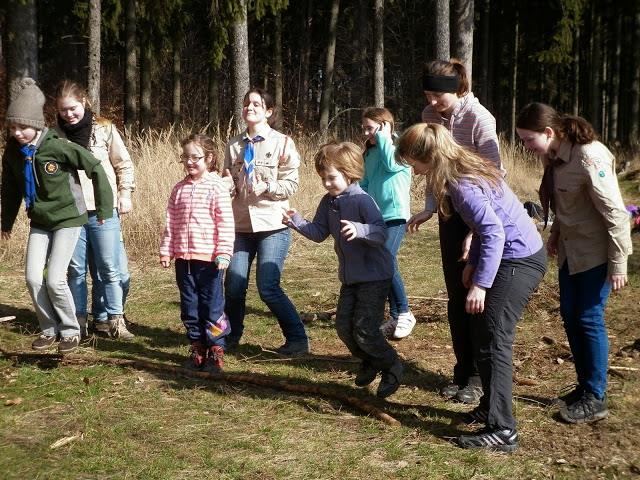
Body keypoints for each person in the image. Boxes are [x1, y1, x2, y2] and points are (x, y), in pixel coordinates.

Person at [396, 123, 546, 452]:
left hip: (519, 258)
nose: (414, 171)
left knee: (493, 339)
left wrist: (480, 282)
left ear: (429, 157)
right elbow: (483, 227)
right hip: (510, 254)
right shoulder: (460, 170)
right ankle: (491, 408)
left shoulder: (460, 183)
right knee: (481, 334)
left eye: (413, 163)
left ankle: (503, 430)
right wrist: (472, 261)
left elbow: (494, 230)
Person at [516, 102, 632, 424]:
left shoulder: (589, 156)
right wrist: (554, 235)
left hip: (596, 252)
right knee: (570, 316)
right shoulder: (553, 156)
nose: (526, 147)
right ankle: (583, 387)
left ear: (549, 132)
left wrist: (619, 263)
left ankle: (595, 397)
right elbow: (567, 206)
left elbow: (616, 214)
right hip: (571, 250)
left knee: (589, 318)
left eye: (528, 140)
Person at [409, 58, 503, 404]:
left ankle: (479, 377)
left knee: (475, 296)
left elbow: (495, 175)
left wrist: (477, 230)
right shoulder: (430, 116)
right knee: (454, 295)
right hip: (452, 210)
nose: (432, 103)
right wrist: (430, 208)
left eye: (438, 96)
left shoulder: (480, 119)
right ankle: (462, 370)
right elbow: (433, 167)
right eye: (428, 95)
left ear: (458, 90)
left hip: (481, 212)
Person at [1, 77, 113, 354]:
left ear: (37, 125)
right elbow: (11, 189)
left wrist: (103, 208)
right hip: (39, 221)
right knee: (32, 277)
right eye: (12, 127)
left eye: (23, 127)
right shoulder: (14, 153)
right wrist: (5, 224)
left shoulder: (57, 145)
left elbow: (95, 167)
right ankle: (49, 329)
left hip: (67, 219)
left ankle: (71, 331)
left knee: (55, 278)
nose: (17, 133)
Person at [283, 141, 403, 398]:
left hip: (375, 275)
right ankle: (370, 360)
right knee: (343, 328)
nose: (327, 183)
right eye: (323, 178)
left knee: (365, 328)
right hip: (350, 278)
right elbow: (318, 233)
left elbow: (381, 233)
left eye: (332, 177)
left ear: (349, 173)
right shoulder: (328, 202)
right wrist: (296, 221)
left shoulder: (362, 200)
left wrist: (360, 230)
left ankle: (391, 365)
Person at [222, 88, 309, 355]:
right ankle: (229, 337)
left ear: (268, 112)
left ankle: (297, 339)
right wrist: (224, 185)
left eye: (257, 104)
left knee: (267, 287)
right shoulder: (234, 144)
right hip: (240, 226)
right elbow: (230, 180)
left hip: (273, 224)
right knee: (234, 284)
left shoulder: (282, 143)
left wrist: (268, 187)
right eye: (247, 103)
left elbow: (291, 183)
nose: (250, 107)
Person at [55, 80, 135, 340]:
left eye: (73, 108)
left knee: (109, 268)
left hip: (103, 209)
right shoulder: (54, 135)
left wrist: (125, 194)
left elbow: (123, 164)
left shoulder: (104, 130)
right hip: (70, 213)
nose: (69, 114)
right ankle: (78, 322)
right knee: (75, 270)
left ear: (84, 102)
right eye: (64, 109)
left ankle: (114, 320)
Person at [160, 134, 235, 371]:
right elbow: (170, 222)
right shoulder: (178, 189)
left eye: (196, 157)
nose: (190, 162)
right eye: (186, 157)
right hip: (184, 259)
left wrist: (224, 252)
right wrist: (167, 250)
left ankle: (216, 347)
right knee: (189, 305)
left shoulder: (217, 187)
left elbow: (225, 223)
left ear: (209, 158)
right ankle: (197, 346)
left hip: (211, 260)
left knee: (212, 305)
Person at [360, 107, 415, 340]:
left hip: (395, 215)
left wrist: (383, 138)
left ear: (385, 127)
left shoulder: (401, 150)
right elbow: (365, 182)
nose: (365, 133)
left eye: (370, 128)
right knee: (381, 263)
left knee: (385, 258)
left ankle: (404, 312)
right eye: (363, 128)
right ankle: (394, 316)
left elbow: (392, 166)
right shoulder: (369, 154)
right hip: (375, 216)